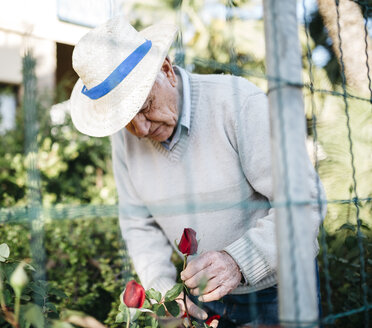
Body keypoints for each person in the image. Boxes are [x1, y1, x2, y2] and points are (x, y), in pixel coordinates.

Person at [68, 16, 326, 327]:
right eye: (126, 120)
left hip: (278, 290)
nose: (142, 128)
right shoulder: (125, 139)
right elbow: (139, 225)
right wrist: (163, 291)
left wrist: (238, 261)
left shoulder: (238, 103)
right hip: (202, 297)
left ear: (165, 70)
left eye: (144, 105)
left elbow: (306, 201)